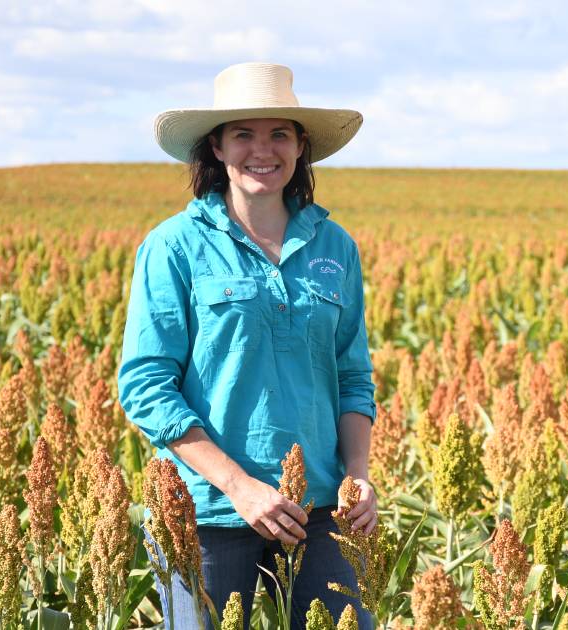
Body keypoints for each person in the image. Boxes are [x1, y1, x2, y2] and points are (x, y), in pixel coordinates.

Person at [118, 62, 376, 630]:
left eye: (279, 133)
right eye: (243, 134)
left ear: (301, 145)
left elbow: (352, 376)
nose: (263, 150)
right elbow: (145, 386)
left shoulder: (335, 247)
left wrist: (358, 471)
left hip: (321, 509)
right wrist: (240, 487)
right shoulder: (175, 247)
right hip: (205, 510)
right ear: (217, 146)